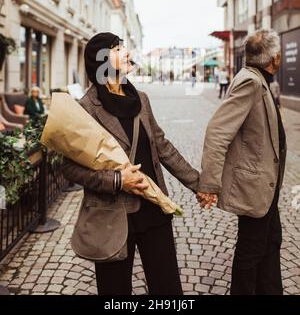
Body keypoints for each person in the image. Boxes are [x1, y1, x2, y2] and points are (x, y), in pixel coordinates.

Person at [62, 32, 202, 296]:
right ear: (101, 60)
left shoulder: (141, 99)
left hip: (154, 208)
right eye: (117, 48)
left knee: (168, 289)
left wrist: (198, 184)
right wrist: (117, 181)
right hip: (112, 216)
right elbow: (68, 167)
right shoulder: (86, 109)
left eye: (124, 47)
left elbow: (163, 147)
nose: (126, 52)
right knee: (115, 292)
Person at [197, 29, 286, 295]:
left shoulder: (261, 80)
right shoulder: (251, 82)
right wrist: (210, 184)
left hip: (265, 187)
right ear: (276, 59)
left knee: (270, 243)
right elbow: (217, 132)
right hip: (254, 188)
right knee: (251, 252)